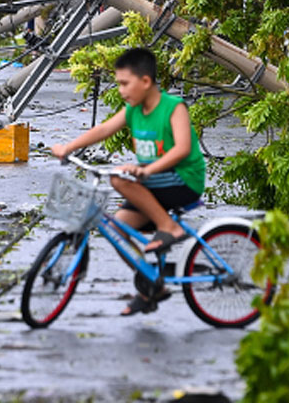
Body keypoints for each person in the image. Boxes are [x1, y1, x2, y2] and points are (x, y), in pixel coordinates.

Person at [50, 47, 206, 316]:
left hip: (183, 180)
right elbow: (103, 129)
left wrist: (146, 170)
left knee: (119, 180)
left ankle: (168, 226)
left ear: (145, 81)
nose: (121, 90)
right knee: (118, 231)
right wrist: (68, 147)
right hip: (155, 184)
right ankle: (151, 287)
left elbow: (181, 148)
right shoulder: (133, 110)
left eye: (124, 83)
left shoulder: (173, 107)